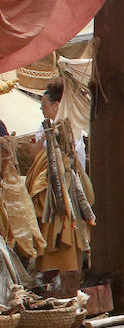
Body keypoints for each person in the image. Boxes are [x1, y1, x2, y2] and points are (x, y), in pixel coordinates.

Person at [27, 81, 95, 295]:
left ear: (57, 105)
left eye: (44, 104)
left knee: (69, 246)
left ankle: (70, 295)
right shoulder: (45, 125)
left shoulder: (71, 128)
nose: (41, 108)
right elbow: (34, 154)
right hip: (49, 195)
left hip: (68, 197)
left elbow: (67, 162)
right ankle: (50, 294)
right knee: (48, 248)